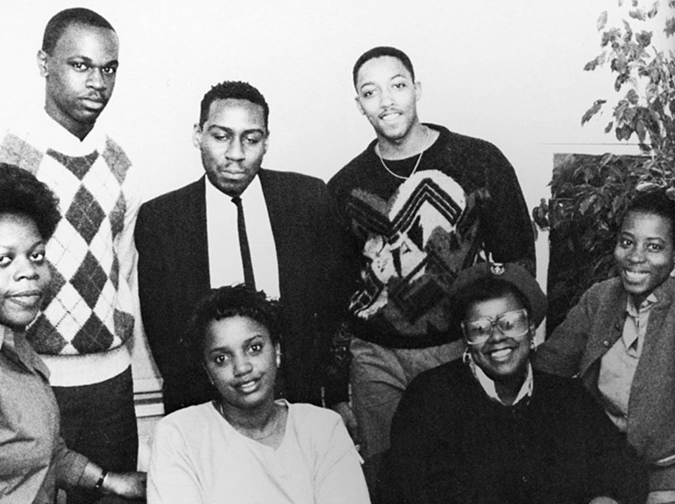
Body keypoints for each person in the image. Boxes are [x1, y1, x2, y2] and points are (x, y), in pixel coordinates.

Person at [326, 45, 536, 488]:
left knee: (468, 472)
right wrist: (334, 385)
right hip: (375, 358)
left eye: (398, 86)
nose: (387, 101)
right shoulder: (345, 186)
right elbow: (337, 291)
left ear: (417, 89)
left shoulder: (480, 161)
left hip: (457, 348)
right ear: (358, 104)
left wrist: (509, 345)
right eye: (370, 92)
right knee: (387, 479)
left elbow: (519, 260)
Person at [0, 163, 145, 503]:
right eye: (3, 259)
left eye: (37, 255)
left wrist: (110, 481)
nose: (28, 271)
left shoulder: (2, 332)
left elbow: (37, 452)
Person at [0, 8, 142, 503]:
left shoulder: (121, 161)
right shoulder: (12, 161)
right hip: (39, 379)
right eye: (80, 65)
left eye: (109, 68)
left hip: (113, 380)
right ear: (44, 63)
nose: (97, 82)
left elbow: (125, 270)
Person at [135, 80, 352, 415]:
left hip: (297, 403)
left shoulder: (307, 200)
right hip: (206, 410)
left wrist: (335, 395)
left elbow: (332, 308)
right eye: (221, 136)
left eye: (251, 139)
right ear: (198, 135)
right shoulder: (161, 219)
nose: (236, 154)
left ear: (266, 141)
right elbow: (166, 338)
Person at [378, 261, 646, 504]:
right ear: (465, 337)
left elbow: (622, 465)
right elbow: (417, 489)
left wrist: (606, 497)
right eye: (480, 328)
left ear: (530, 329)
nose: (497, 337)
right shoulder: (429, 399)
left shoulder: (567, 398)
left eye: (510, 323)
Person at [147, 284, 368, 504]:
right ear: (208, 372)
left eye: (254, 348)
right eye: (222, 359)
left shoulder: (323, 429)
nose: (242, 368)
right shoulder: (179, 435)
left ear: (277, 351)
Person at [535, 190, 675, 503]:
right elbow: (545, 370)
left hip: (666, 477)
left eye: (654, 247)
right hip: (603, 470)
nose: (635, 256)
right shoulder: (601, 298)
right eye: (627, 242)